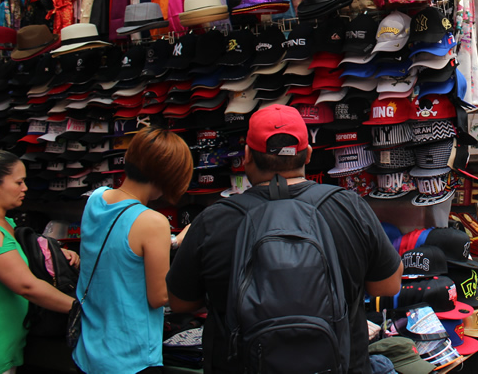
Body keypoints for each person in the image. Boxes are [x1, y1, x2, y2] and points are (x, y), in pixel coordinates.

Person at [167, 104, 403, 374]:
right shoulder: (348, 208)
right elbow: (388, 285)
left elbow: (181, 303)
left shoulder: (214, 221)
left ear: (246, 156)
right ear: (309, 154)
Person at [74, 127, 194, 374]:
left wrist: (171, 242)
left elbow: (120, 245)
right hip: (131, 358)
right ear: (167, 175)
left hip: (87, 351)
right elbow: (159, 297)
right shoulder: (153, 222)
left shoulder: (96, 198)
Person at [0, 150, 77, 374]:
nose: (25, 188)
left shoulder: (6, 224)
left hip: (5, 349)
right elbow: (26, 285)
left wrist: (61, 257)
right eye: (19, 182)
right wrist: (81, 309)